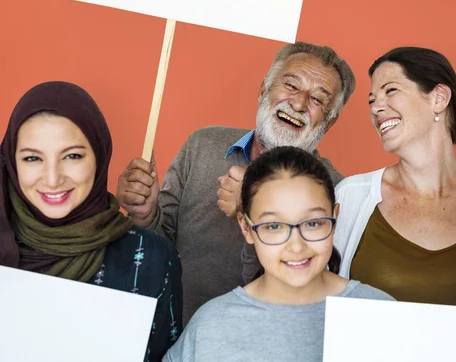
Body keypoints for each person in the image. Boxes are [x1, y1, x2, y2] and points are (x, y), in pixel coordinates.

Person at [117, 42, 356, 322]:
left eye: (317, 100)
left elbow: (307, 295)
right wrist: (144, 216)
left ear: (329, 123)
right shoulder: (203, 145)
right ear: (263, 90)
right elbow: (162, 245)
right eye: (291, 85)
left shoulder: (336, 191)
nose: (299, 103)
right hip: (173, 331)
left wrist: (256, 211)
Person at [0, 81, 182, 361]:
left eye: (72, 156)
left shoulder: (150, 259)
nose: (52, 179)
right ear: (11, 162)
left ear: (99, 155)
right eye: (32, 158)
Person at [163, 146, 393, 362]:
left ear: (335, 218)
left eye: (313, 223)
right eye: (274, 226)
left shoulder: (382, 314)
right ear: (246, 227)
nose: (296, 246)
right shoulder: (211, 325)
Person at [334, 47, 456, 305]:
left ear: (438, 98)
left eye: (391, 90)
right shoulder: (351, 195)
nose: (376, 108)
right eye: (371, 100)